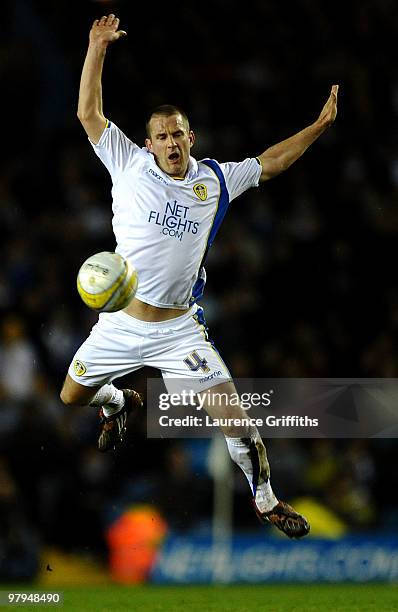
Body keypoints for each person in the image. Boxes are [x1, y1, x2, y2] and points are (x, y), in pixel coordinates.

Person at [60, 14, 338, 539]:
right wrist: (97, 45)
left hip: (179, 331)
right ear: (148, 143)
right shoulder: (128, 164)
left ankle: (267, 501)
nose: (171, 142)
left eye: (178, 134)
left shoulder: (214, 178)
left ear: (192, 137)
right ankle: (118, 403)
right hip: (119, 324)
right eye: (161, 135)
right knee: (71, 397)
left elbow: (273, 161)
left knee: (237, 422)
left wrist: (318, 128)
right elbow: (88, 112)